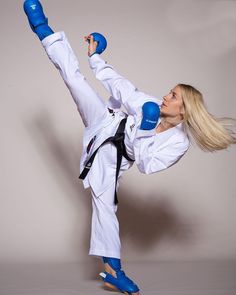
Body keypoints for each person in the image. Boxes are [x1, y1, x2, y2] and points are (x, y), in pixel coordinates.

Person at [23, 1, 236, 294]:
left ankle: (114, 271)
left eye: (172, 96)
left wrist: (147, 128)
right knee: (74, 80)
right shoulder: (149, 103)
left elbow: (147, 164)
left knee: (105, 208)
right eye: (169, 91)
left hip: (114, 160)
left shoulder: (178, 144)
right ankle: (42, 28)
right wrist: (97, 57)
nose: (165, 96)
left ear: (184, 111)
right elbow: (120, 86)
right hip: (105, 122)